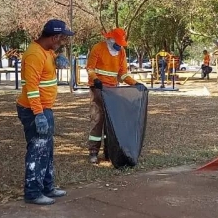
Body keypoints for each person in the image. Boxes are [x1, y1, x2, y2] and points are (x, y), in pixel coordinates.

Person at [16, 19, 74, 205]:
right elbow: (31, 87)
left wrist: (57, 58)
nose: (62, 42)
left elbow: (46, 69)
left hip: (44, 108)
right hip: (35, 110)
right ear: (55, 36)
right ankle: (33, 192)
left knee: (46, 150)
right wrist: (39, 114)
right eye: (62, 39)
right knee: (37, 150)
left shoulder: (46, 51)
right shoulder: (34, 54)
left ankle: (48, 187)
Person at [86, 27, 146, 164]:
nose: (119, 46)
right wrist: (95, 79)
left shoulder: (121, 52)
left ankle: (109, 151)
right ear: (110, 40)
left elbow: (123, 73)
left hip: (112, 90)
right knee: (98, 119)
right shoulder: (98, 48)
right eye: (117, 43)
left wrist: (134, 83)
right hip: (98, 89)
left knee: (111, 121)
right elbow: (90, 68)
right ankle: (93, 152)